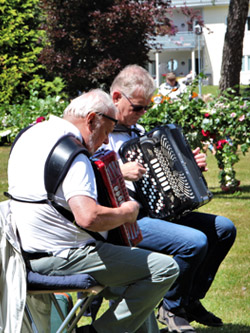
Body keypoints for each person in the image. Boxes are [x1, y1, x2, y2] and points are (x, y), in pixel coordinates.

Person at [7, 89, 179, 333]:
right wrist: (128, 212)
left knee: (130, 281)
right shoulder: (74, 155)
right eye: (107, 132)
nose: (107, 141)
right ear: (90, 120)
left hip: (22, 253)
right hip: (65, 255)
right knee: (163, 269)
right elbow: (88, 217)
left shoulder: (30, 135)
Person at [102, 65, 237, 333]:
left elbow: (163, 173)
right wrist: (119, 171)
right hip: (123, 221)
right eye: (138, 107)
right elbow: (85, 179)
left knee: (224, 229)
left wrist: (191, 165)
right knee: (194, 242)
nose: (143, 113)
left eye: (145, 107)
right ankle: (171, 307)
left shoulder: (137, 131)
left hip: (154, 212)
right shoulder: (99, 134)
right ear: (116, 97)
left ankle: (189, 301)